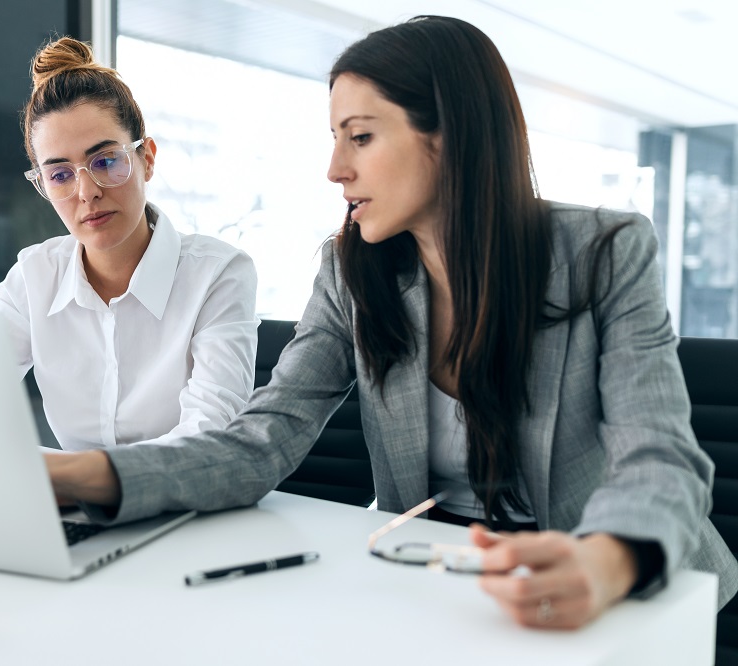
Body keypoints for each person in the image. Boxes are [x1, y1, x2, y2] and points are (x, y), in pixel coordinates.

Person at [43, 16, 738, 627]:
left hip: (621, 590)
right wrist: (78, 475)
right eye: (334, 138)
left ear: (449, 138)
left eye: (361, 137)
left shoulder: (605, 252)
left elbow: (662, 460)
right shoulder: (352, 271)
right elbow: (264, 439)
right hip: (441, 584)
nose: (335, 169)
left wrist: (607, 563)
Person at [0, 37, 258, 451]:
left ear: (146, 159)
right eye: (60, 175)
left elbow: (211, 437)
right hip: (73, 507)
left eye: (105, 161)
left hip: (189, 509)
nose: (86, 192)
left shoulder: (217, 275)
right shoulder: (33, 277)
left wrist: (68, 474)